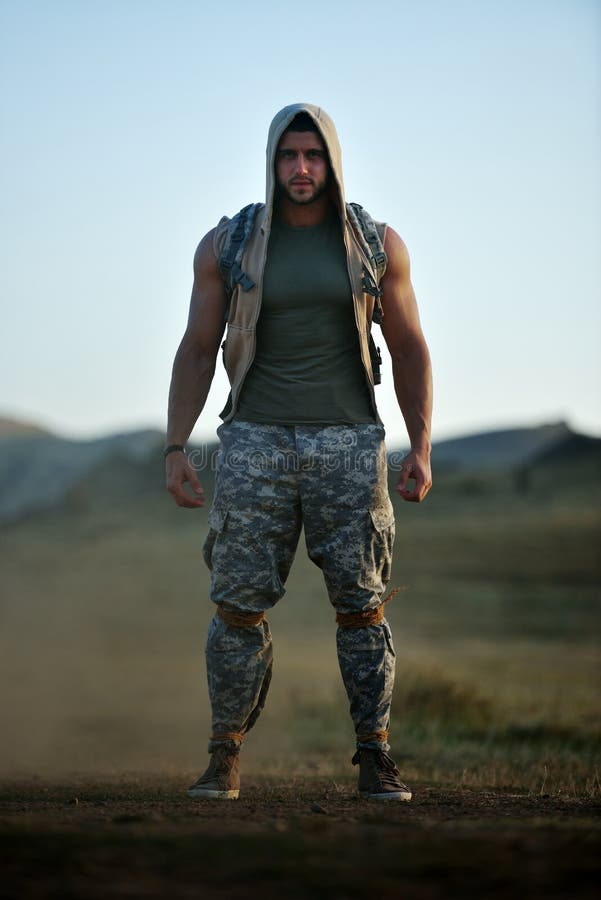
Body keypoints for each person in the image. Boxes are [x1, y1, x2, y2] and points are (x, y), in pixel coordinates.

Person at [165, 103, 432, 801]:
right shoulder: (230, 243)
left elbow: (407, 346)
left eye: (313, 156)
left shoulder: (375, 244)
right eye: (289, 157)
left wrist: (421, 444)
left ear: (332, 161)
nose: (301, 169)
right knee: (236, 607)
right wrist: (175, 447)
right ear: (271, 162)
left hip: (349, 442)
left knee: (362, 606)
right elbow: (197, 350)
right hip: (253, 440)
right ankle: (223, 756)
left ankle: (374, 756)